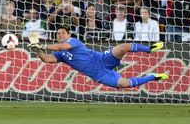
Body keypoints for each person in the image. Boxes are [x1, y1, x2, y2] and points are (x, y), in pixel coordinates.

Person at [28, 26, 168, 89]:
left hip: (101, 59)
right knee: (123, 84)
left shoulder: (73, 41)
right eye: (58, 34)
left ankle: (149, 49)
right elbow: (46, 59)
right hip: (99, 74)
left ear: (69, 35)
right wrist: (37, 50)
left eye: (62, 33)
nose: (60, 35)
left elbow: (63, 47)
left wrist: (42, 46)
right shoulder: (60, 55)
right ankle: (153, 77)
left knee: (123, 47)